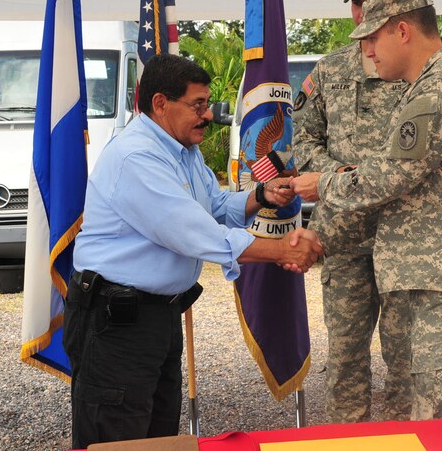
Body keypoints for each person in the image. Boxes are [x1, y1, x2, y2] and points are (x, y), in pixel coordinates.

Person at [63, 53, 323, 448]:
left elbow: (214, 206)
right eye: (197, 105)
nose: (208, 116)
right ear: (160, 104)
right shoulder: (136, 156)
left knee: (158, 436)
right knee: (117, 438)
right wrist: (285, 249)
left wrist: (259, 195)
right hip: (115, 324)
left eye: (207, 104)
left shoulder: (183, 150)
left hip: (155, 316)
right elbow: (193, 231)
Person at [291, 0, 442, 420]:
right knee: (422, 415)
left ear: (402, 30)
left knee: (441, 426)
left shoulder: (437, 91)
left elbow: (390, 176)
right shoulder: (434, 85)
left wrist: (324, 184)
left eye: (372, 38)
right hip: (439, 280)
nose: (367, 52)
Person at [292, 0, 408, 423]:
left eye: (369, 3)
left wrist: (362, 177)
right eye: (356, 3)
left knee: (407, 360)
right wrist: (339, 176)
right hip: (342, 235)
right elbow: (303, 140)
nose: (359, 13)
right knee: (345, 358)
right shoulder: (330, 69)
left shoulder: (415, 71)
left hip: (403, 235)